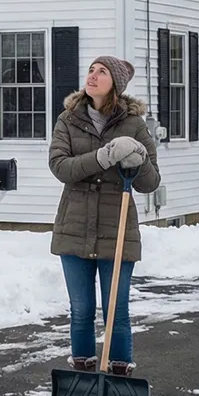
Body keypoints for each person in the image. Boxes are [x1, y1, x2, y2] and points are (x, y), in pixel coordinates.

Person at [48, 55, 162, 376]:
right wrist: (103, 156)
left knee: (117, 310)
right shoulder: (68, 120)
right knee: (81, 310)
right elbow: (61, 168)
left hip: (117, 230)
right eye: (91, 70)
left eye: (102, 72)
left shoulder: (134, 125)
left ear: (116, 84)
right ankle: (82, 378)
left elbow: (150, 183)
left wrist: (138, 162)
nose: (93, 76)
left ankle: (119, 376)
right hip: (74, 228)